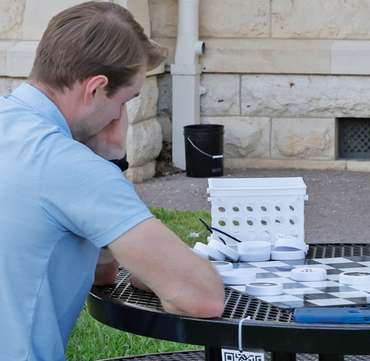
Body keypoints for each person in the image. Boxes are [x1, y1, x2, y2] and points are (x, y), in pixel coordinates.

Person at [0, 2, 225, 360]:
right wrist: (110, 165)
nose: (121, 115)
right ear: (95, 89)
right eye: (126, 100)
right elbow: (202, 297)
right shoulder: (66, 164)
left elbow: (103, 272)